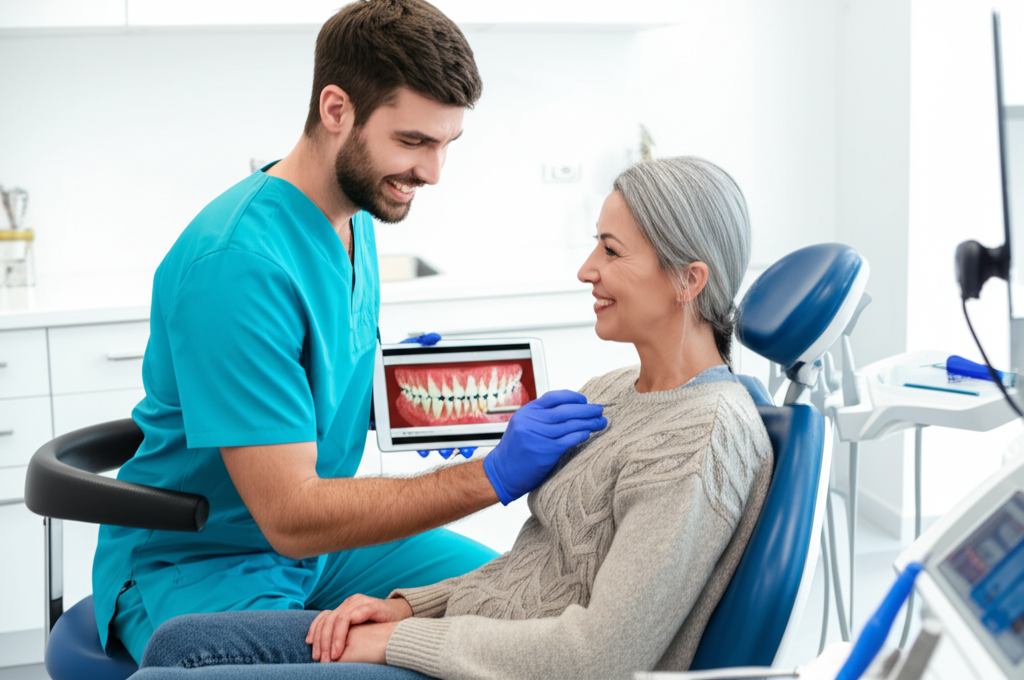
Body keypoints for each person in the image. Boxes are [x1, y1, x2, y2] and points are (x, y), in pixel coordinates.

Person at [92, 0, 607, 664]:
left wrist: (408, 400)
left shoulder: (353, 214)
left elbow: (313, 378)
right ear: (336, 110)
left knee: (525, 602)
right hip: (211, 560)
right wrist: (493, 475)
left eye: (446, 144)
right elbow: (290, 514)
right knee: (435, 661)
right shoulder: (239, 267)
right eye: (413, 141)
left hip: (322, 551)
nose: (432, 172)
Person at [137, 156, 775, 679]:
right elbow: (536, 567)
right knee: (180, 645)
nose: (586, 270)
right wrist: (407, 607)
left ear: (688, 280)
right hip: (476, 632)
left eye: (611, 251)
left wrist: (398, 641)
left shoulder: (704, 437)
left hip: (501, 664)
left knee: (180, 660)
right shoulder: (610, 391)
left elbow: (599, 656)